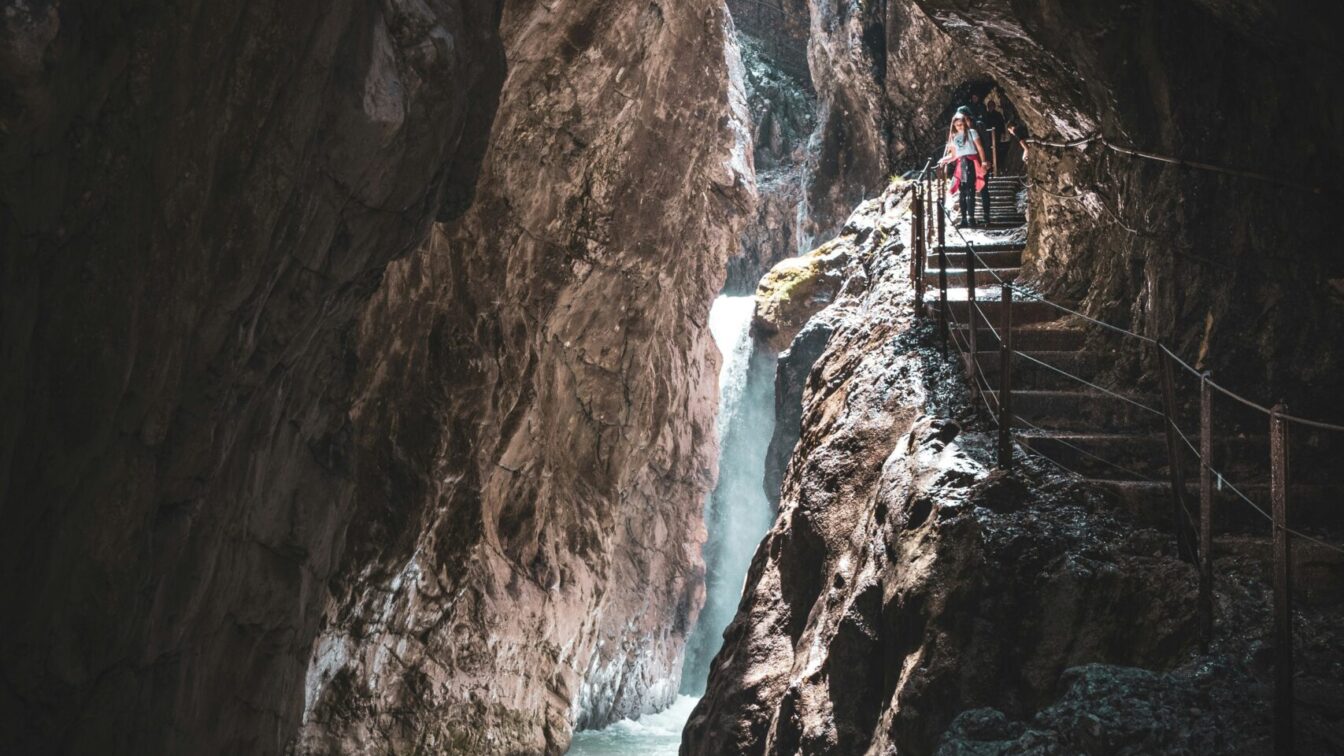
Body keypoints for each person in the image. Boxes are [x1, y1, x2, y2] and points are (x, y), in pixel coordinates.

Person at [939, 112, 987, 227]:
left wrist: (984, 163)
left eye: (961, 124)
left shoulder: (972, 132)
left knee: (970, 190)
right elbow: (954, 155)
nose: (959, 127)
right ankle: (964, 219)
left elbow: (980, 148)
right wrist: (944, 160)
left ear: (964, 123)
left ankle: (971, 218)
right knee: (962, 192)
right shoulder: (954, 137)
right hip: (961, 164)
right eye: (956, 125)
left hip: (971, 162)